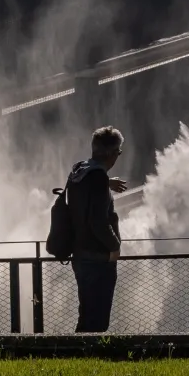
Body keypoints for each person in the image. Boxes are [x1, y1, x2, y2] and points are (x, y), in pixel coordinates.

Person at [66, 126, 128, 332]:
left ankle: (79, 357)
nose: (118, 157)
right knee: (98, 319)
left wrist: (106, 181)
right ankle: (88, 357)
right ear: (110, 153)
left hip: (79, 253)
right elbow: (98, 221)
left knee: (86, 313)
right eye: (118, 152)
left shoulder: (78, 172)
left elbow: (85, 198)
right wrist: (114, 247)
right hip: (98, 257)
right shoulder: (98, 179)